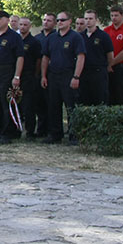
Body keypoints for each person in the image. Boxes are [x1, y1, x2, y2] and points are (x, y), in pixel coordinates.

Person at [41, 11, 85, 145]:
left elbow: (81, 57)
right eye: (58, 20)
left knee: (71, 106)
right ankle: (55, 134)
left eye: (63, 20)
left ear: (69, 21)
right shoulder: (52, 37)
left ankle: (74, 135)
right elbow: (45, 57)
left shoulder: (75, 37)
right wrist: (43, 75)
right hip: (53, 76)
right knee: (53, 106)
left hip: (68, 75)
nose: (60, 23)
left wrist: (76, 76)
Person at [0, 11, 25, 144]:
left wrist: (17, 76)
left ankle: (8, 133)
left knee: (6, 103)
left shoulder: (14, 36)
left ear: (7, 20)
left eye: (0, 18)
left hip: (7, 71)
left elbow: (20, 57)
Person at [80, 10, 114, 106]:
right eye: (86, 18)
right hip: (83, 73)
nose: (88, 21)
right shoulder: (79, 36)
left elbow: (110, 56)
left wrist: (107, 66)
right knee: (84, 101)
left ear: (96, 20)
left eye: (91, 18)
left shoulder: (103, 36)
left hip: (98, 73)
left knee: (100, 101)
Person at [18, 17, 44, 138]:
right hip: (16, 76)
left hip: (29, 76)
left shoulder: (34, 42)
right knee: (16, 104)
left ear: (30, 26)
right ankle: (16, 129)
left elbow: (39, 60)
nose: (22, 27)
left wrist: (36, 74)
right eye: (21, 24)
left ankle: (30, 131)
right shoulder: (16, 40)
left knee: (29, 106)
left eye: (25, 25)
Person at [32, 13, 57, 138]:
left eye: (49, 20)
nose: (46, 22)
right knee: (39, 103)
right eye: (44, 20)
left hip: (52, 75)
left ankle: (51, 130)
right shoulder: (37, 38)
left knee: (51, 104)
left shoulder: (56, 37)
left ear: (55, 23)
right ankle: (41, 129)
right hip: (38, 74)